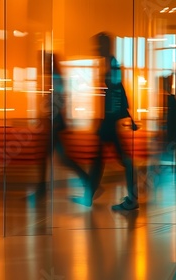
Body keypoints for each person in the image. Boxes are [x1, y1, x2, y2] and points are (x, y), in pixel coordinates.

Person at [71, 32, 139, 210]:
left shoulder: (112, 65)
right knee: (101, 160)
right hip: (108, 121)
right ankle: (92, 196)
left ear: (105, 45)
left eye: (99, 45)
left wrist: (119, 116)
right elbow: (117, 92)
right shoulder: (109, 64)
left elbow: (117, 93)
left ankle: (132, 198)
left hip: (109, 122)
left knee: (120, 160)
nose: (96, 49)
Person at [32, 52, 89, 200]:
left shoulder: (56, 79)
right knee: (62, 159)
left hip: (55, 124)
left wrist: (49, 116)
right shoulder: (56, 78)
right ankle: (88, 181)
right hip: (55, 124)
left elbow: (58, 101)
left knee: (47, 157)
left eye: (45, 63)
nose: (43, 66)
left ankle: (41, 189)